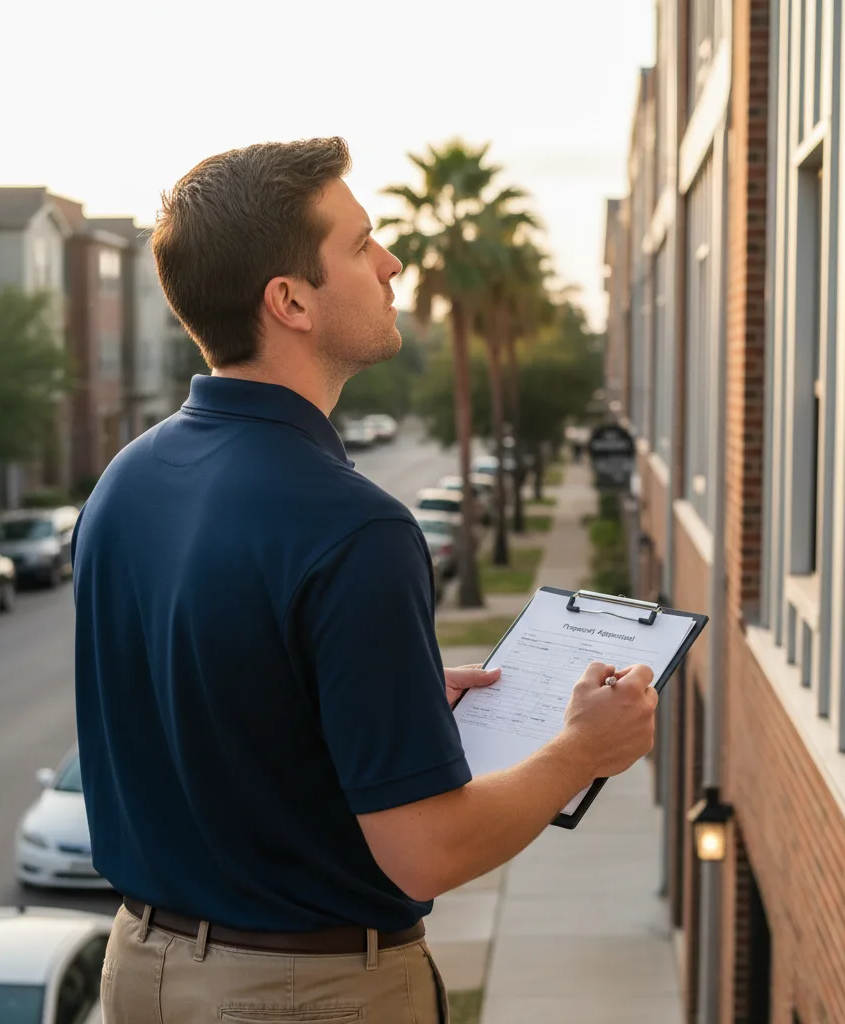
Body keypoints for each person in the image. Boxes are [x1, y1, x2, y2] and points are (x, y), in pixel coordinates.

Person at [73, 137, 658, 1024]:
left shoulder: (126, 479)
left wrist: (394, 700)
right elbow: (425, 853)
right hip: (301, 994)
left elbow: (220, 712)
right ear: (291, 301)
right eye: (361, 244)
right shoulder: (356, 527)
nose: (392, 264)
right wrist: (584, 750)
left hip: (143, 971)